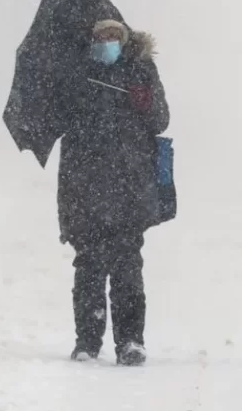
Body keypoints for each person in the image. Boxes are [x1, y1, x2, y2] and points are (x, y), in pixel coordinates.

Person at [56, 18, 169, 366]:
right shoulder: (79, 74)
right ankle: (87, 343)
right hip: (84, 186)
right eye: (100, 37)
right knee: (88, 267)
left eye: (112, 37)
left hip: (129, 187)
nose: (106, 42)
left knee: (126, 268)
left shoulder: (140, 71)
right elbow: (59, 120)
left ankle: (131, 341)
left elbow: (161, 120)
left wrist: (144, 101)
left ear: (123, 40)